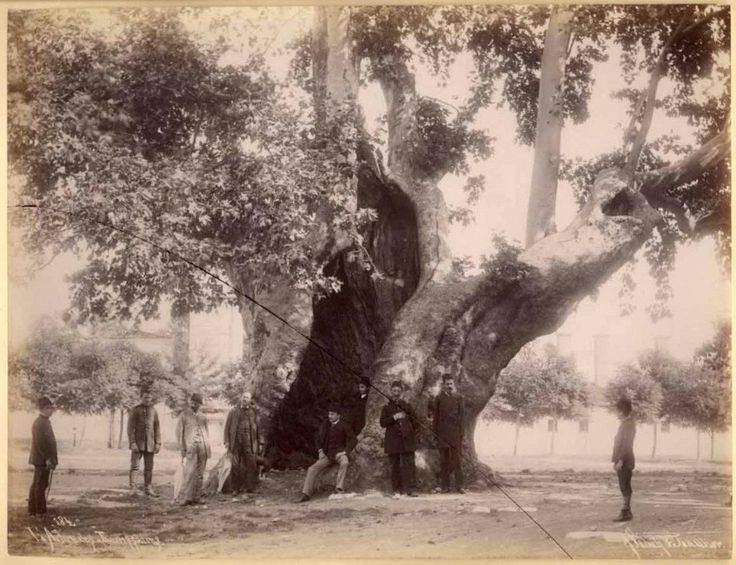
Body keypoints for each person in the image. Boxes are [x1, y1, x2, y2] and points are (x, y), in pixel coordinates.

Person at [297, 405, 357, 502]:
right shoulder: (325, 425)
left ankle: (339, 488)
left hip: (339, 454)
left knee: (345, 463)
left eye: (332, 414)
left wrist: (345, 452)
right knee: (312, 469)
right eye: (329, 414)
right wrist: (320, 451)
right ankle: (306, 494)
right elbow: (318, 439)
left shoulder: (344, 425)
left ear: (338, 415)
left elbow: (353, 440)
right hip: (327, 455)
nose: (329, 416)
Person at [380, 381, 418, 498]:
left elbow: (415, 422)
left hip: (407, 440)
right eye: (394, 391)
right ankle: (397, 490)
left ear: (401, 392)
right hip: (393, 441)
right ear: (391, 391)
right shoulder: (386, 408)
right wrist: (394, 417)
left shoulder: (407, 405)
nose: (396, 393)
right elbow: (382, 423)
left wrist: (410, 433)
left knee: (409, 464)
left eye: (398, 391)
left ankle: (410, 490)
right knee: (395, 466)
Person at [428, 374, 465, 494]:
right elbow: (436, 418)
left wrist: (461, 434)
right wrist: (435, 434)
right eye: (447, 384)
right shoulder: (439, 398)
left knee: (457, 461)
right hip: (442, 434)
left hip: (455, 434)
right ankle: (445, 486)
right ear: (443, 385)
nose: (449, 386)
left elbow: (462, 417)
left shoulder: (459, 397)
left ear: (453, 384)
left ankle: (460, 486)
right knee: (444, 461)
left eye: (451, 383)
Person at [224, 391, 262, 497]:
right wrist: (226, 441)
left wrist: (260, 442)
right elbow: (227, 427)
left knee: (252, 464)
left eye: (247, 398)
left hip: (249, 442)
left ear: (250, 401)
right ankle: (235, 489)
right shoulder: (233, 411)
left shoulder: (253, 412)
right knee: (235, 466)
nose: (245, 399)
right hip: (235, 442)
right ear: (241, 398)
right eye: (244, 397)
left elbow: (257, 428)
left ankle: (251, 487)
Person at [176, 393, 211, 506]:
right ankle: (187, 497)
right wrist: (182, 448)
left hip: (203, 448)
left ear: (200, 404)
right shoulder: (184, 415)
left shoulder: (203, 417)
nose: (194, 404)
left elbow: (207, 433)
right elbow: (179, 433)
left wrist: (208, 449)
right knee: (189, 473)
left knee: (200, 474)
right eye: (193, 402)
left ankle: (197, 497)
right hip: (190, 448)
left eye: (197, 403)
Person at [127, 389, 161, 497]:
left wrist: (158, 443)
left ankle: (148, 488)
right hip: (138, 444)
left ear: (151, 398)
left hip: (150, 444)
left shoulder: (154, 411)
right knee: (135, 466)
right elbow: (130, 428)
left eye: (149, 397)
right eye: (145, 397)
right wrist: (132, 442)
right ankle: (133, 489)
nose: (147, 399)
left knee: (149, 467)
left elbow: (157, 428)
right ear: (141, 397)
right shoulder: (135, 410)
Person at [28, 396, 58, 517]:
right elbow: (40, 443)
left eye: (51, 408)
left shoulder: (44, 421)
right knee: (39, 485)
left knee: (39, 484)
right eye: (49, 408)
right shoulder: (39, 423)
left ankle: (33, 510)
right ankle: (39, 511)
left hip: (43, 459)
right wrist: (48, 459)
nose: (51, 411)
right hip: (42, 460)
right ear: (44, 409)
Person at [612, 397, 636, 522]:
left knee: (625, 485)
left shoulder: (629, 424)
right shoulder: (626, 424)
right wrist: (615, 460)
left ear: (621, 411)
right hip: (623, 460)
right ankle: (627, 511)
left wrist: (620, 460)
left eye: (617, 410)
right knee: (624, 485)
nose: (616, 413)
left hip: (626, 460)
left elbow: (626, 444)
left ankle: (625, 511)